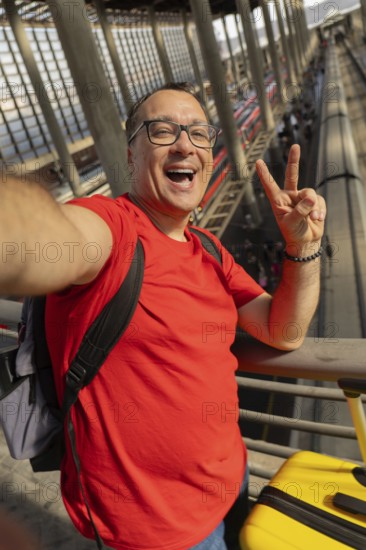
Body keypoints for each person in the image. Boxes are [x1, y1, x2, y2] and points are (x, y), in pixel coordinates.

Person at [0, 82, 326, 550]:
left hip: (229, 483)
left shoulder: (211, 251)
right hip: (156, 532)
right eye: (161, 130)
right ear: (130, 154)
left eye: (198, 132)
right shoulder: (111, 230)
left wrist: (303, 246)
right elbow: (36, 239)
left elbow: (284, 331)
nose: (184, 144)